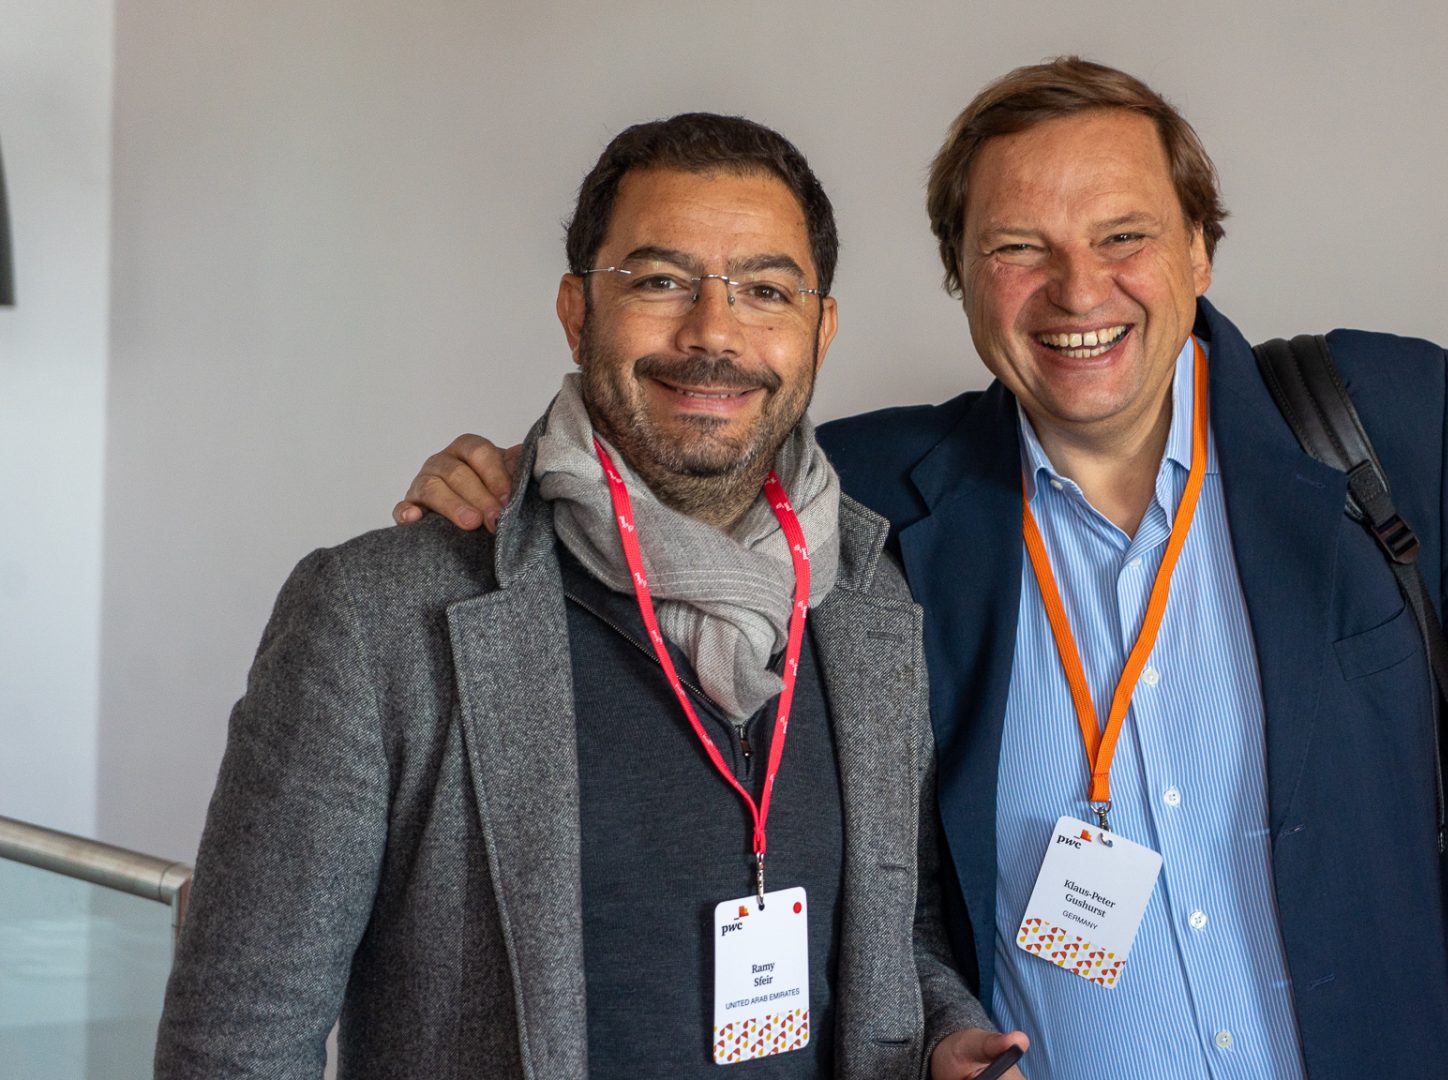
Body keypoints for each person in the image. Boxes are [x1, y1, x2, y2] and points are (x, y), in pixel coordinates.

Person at [399, 59, 1448, 1079]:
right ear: (961, 280)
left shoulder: (1387, 425)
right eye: (1018, 247)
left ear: (1200, 251)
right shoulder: (874, 499)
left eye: (1124, 234)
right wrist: (523, 482)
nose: (1079, 290)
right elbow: (688, 435)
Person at [156, 113, 1026, 1080]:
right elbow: (237, 1043)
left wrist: (944, 1032)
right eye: (659, 281)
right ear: (577, 313)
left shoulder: (867, 602)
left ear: (819, 328)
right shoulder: (375, 619)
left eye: (766, 291)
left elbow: (896, 925)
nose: (713, 333)